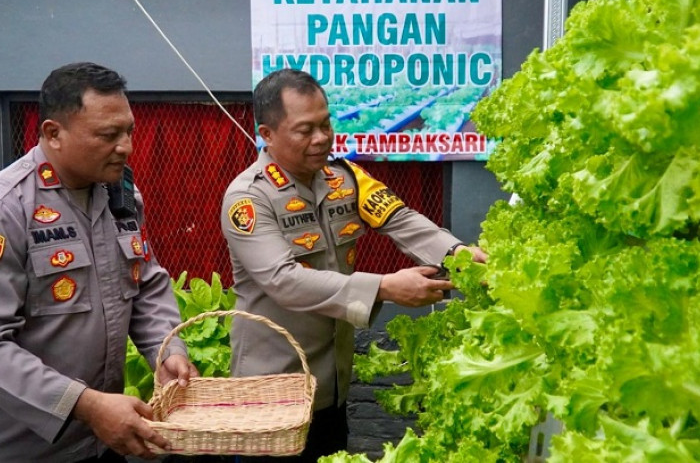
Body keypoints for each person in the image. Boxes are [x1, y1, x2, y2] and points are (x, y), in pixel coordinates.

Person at [220, 68, 487, 462]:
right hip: (271, 395)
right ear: (267, 134)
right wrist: (383, 287)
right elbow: (283, 281)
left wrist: (455, 253)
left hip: (331, 387)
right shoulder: (248, 198)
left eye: (326, 123)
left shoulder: (345, 178)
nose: (321, 138)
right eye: (305, 129)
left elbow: (399, 218)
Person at [0, 62, 199, 462]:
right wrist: (87, 405)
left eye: (129, 131)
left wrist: (168, 351)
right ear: (53, 134)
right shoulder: (10, 208)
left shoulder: (121, 195)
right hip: (29, 449)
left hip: (105, 440)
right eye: (109, 135)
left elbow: (146, 284)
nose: (125, 146)